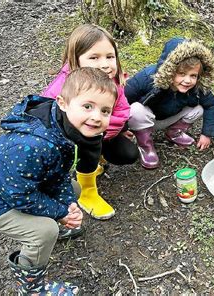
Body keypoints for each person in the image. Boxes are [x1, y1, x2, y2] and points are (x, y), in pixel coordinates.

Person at [0, 67, 117, 295]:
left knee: (73, 189)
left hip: (13, 188)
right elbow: (17, 194)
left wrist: (67, 206)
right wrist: (59, 212)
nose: (97, 116)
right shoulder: (34, 145)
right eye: (88, 106)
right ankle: (32, 289)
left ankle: (56, 225)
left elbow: (57, 175)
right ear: (63, 103)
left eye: (105, 111)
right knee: (43, 231)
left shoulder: (62, 128)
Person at [42, 24, 138, 220]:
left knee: (128, 153)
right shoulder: (64, 88)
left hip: (99, 129)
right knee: (88, 143)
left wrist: (113, 130)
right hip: (70, 138)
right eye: (94, 58)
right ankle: (86, 191)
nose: (105, 64)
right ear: (75, 59)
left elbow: (121, 108)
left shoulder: (110, 79)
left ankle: (97, 158)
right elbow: (49, 119)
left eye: (110, 57)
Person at [124, 37, 214, 169]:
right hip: (146, 119)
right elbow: (121, 101)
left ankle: (174, 133)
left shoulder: (197, 87)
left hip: (172, 117)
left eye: (193, 75)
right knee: (135, 109)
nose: (187, 81)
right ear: (169, 70)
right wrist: (121, 130)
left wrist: (207, 134)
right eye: (181, 73)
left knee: (199, 108)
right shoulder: (147, 78)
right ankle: (145, 146)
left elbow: (212, 104)